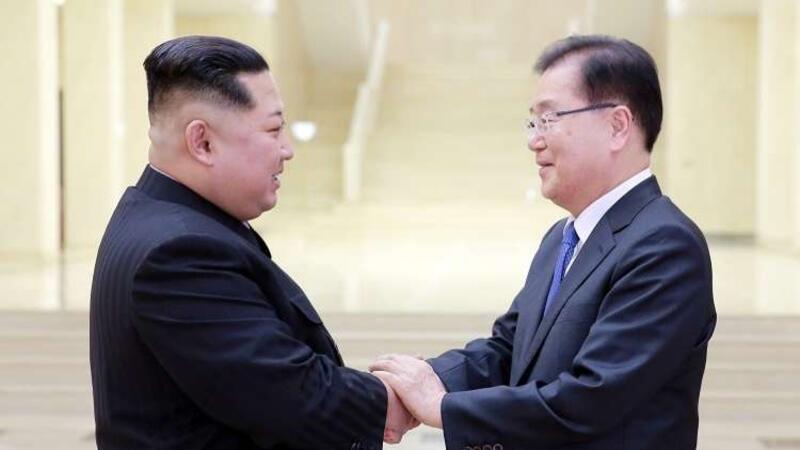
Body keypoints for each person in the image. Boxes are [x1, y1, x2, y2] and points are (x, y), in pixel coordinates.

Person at [371, 35, 717, 450]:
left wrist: (442, 406)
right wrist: (423, 380)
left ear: (617, 126)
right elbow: (508, 351)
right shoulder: (562, 239)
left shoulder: (665, 245)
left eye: (549, 119)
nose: (534, 140)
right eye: (533, 122)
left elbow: (592, 398)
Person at [89, 35, 416, 449]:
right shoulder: (179, 254)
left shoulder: (162, 217)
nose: (287, 150)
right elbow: (294, 398)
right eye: (273, 129)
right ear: (203, 142)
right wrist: (398, 399)